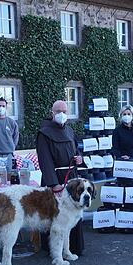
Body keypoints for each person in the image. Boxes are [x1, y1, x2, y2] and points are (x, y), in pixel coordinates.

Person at [36, 100, 84, 252]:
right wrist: (53, 183)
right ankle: (53, 249)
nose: (61, 114)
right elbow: (45, 160)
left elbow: (75, 150)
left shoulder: (69, 131)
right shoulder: (44, 133)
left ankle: (73, 247)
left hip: (71, 178)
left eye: (64, 111)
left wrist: (79, 158)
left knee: (72, 213)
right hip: (55, 179)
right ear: (52, 113)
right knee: (54, 215)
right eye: (58, 111)